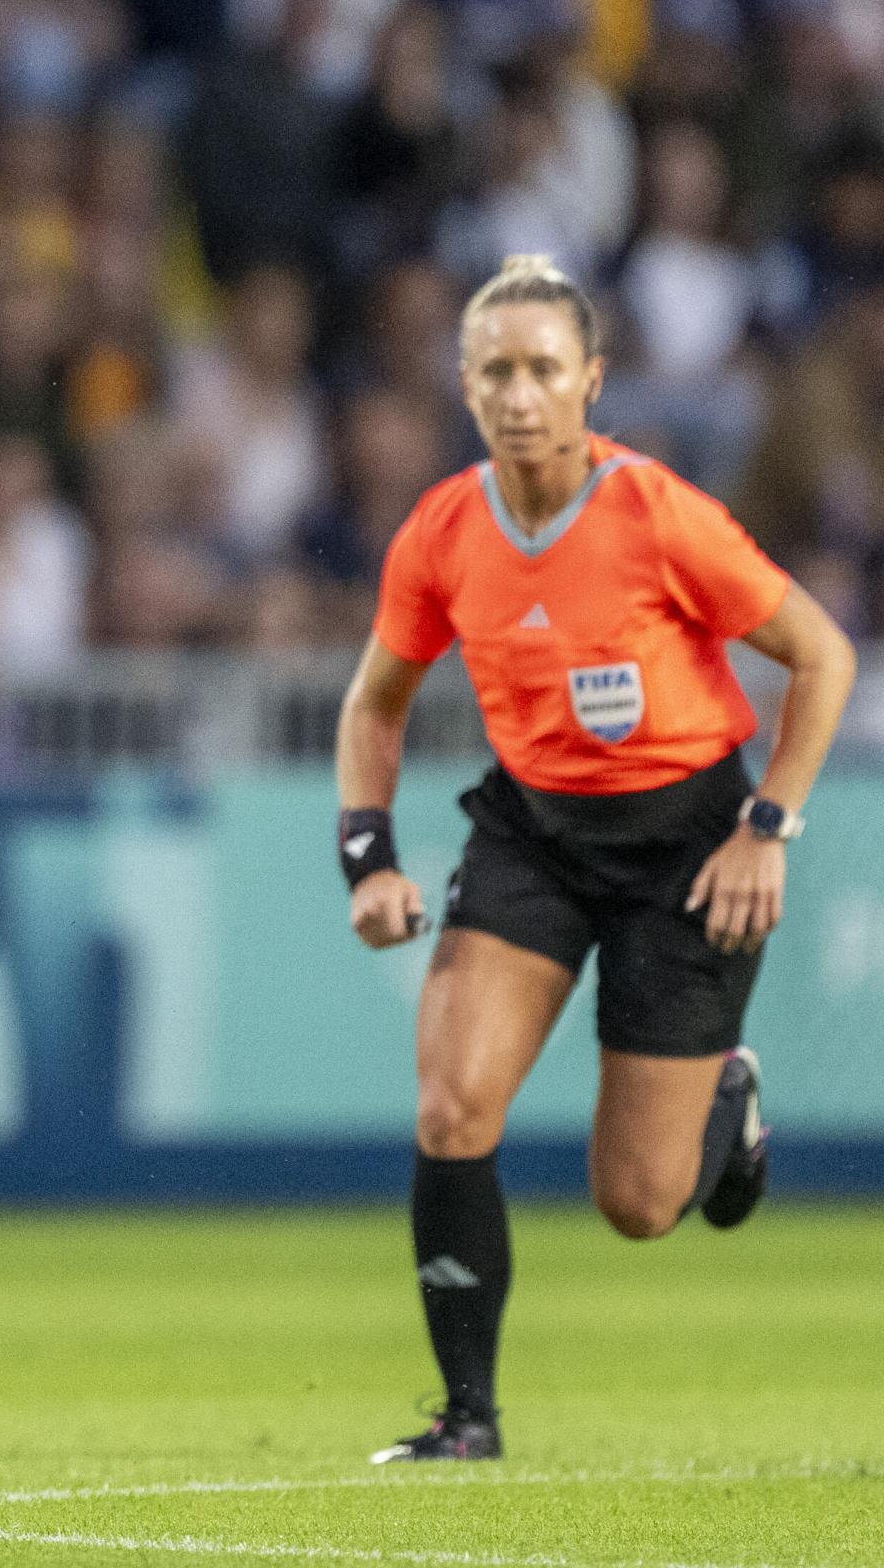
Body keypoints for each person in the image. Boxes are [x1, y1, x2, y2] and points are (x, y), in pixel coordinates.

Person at [334, 255, 856, 1463]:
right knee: (452, 1103)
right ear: (465, 388)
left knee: (638, 1205)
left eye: (545, 371)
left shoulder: (656, 514)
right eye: (497, 373)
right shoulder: (443, 529)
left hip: (690, 847)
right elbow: (375, 704)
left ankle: (729, 1092)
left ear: (591, 384)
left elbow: (822, 656)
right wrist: (368, 859)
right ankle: (466, 1418)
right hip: (535, 833)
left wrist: (766, 828)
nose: (521, 395)